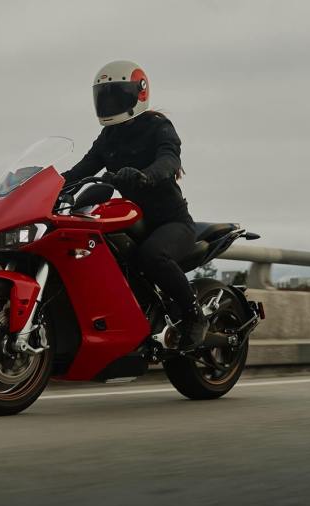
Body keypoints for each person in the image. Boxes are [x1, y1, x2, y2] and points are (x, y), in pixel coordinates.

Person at [61, 60, 208, 349]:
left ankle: (194, 315)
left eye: (116, 95)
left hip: (171, 222)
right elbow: (81, 170)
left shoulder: (158, 126)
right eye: (105, 96)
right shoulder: (109, 137)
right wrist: (41, 184)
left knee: (152, 256)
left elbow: (170, 159)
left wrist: (145, 175)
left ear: (139, 93)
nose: (109, 103)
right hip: (134, 221)